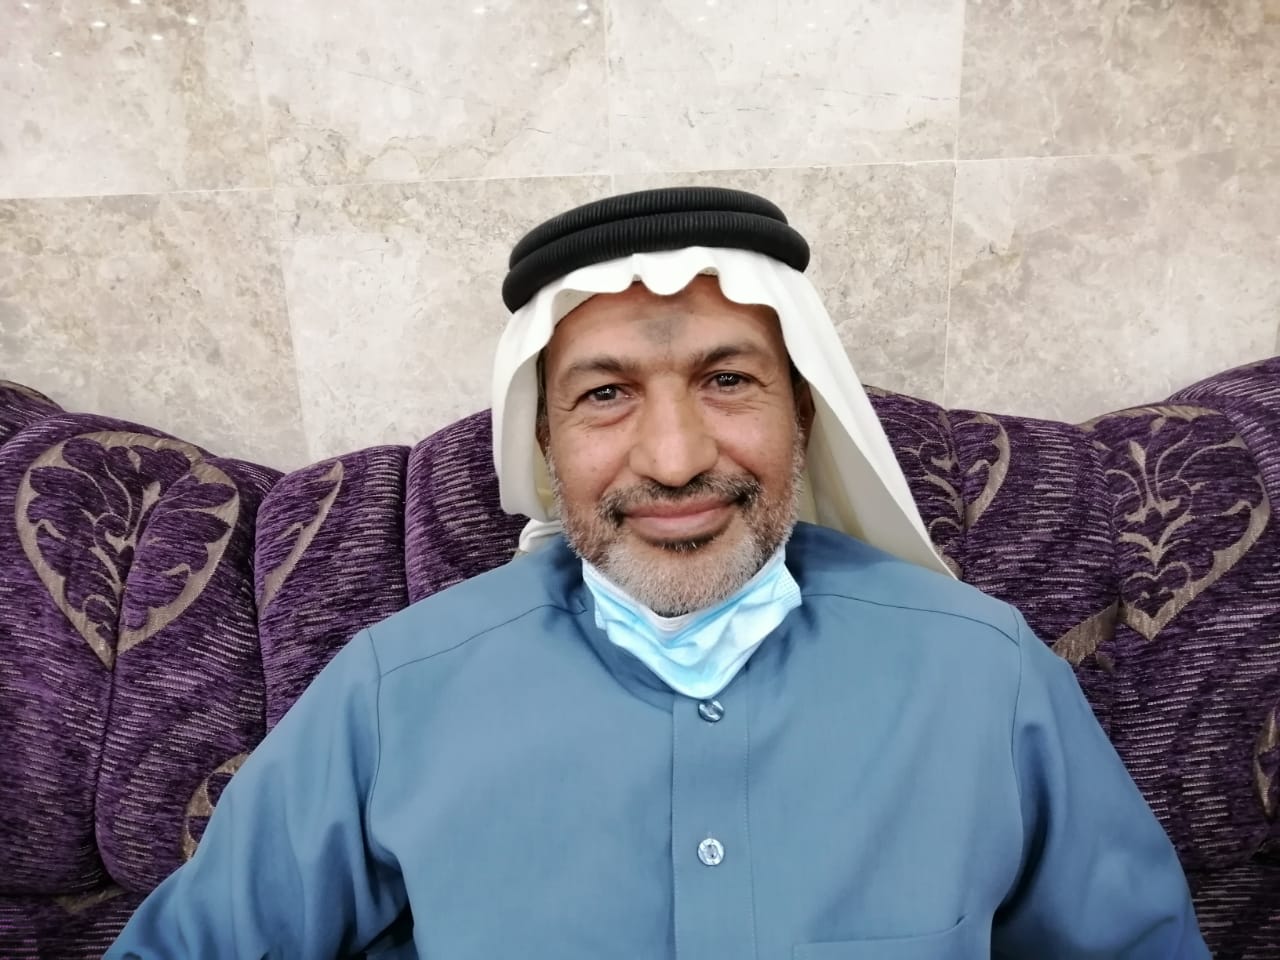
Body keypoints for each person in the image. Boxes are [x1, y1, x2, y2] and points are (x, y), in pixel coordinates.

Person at [108, 188, 1209, 958]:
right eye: (605, 394)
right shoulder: (394, 692)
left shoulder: (985, 677)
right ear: (544, 441)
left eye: (727, 380)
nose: (676, 459)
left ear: (801, 415)